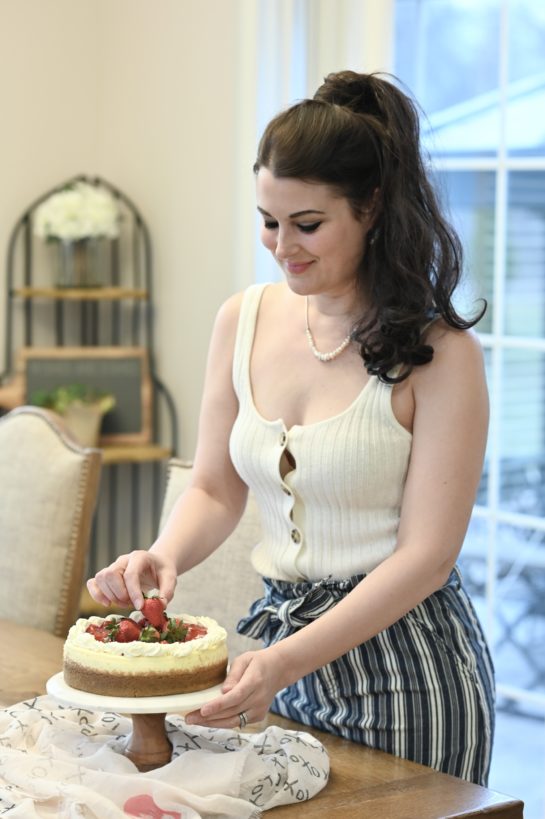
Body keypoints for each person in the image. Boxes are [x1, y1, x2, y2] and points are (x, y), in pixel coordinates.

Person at [88, 70, 495, 786]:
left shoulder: (443, 355)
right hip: (280, 660)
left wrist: (285, 660)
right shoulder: (241, 320)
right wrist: (165, 553)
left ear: (370, 208)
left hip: (408, 672)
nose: (281, 245)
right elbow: (215, 487)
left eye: (307, 224)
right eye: (268, 220)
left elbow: (426, 557)